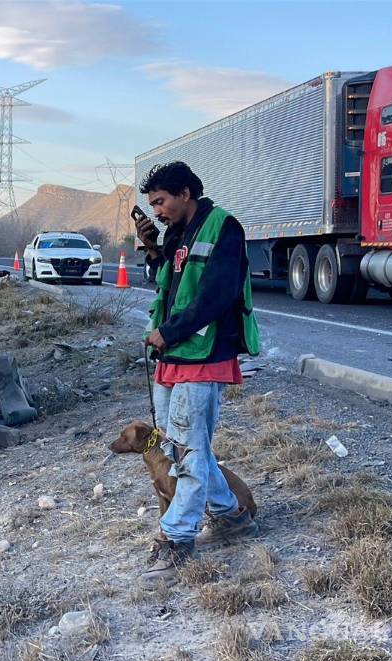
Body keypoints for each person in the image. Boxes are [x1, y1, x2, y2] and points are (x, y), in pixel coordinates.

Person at [133, 161, 261, 588]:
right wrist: (154, 252)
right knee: (180, 449)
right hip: (174, 357)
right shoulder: (176, 235)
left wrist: (167, 332)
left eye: (161, 202)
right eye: (152, 205)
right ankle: (231, 517)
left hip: (202, 355)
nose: (157, 211)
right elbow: (168, 286)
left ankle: (176, 540)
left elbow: (216, 295)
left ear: (185, 193)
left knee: (188, 452)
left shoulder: (224, 227)